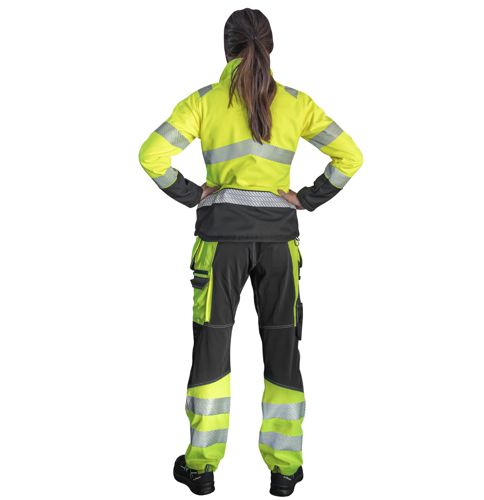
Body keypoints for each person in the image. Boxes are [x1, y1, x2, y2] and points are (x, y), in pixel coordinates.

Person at [138, 7, 363, 497]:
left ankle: (201, 468)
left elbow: (151, 156)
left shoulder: (204, 101)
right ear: (270, 46)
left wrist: (194, 193)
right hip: (280, 244)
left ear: (226, 48)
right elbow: (351, 156)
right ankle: (284, 470)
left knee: (211, 349)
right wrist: (307, 199)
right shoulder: (298, 103)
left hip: (219, 242)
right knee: (283, 349)